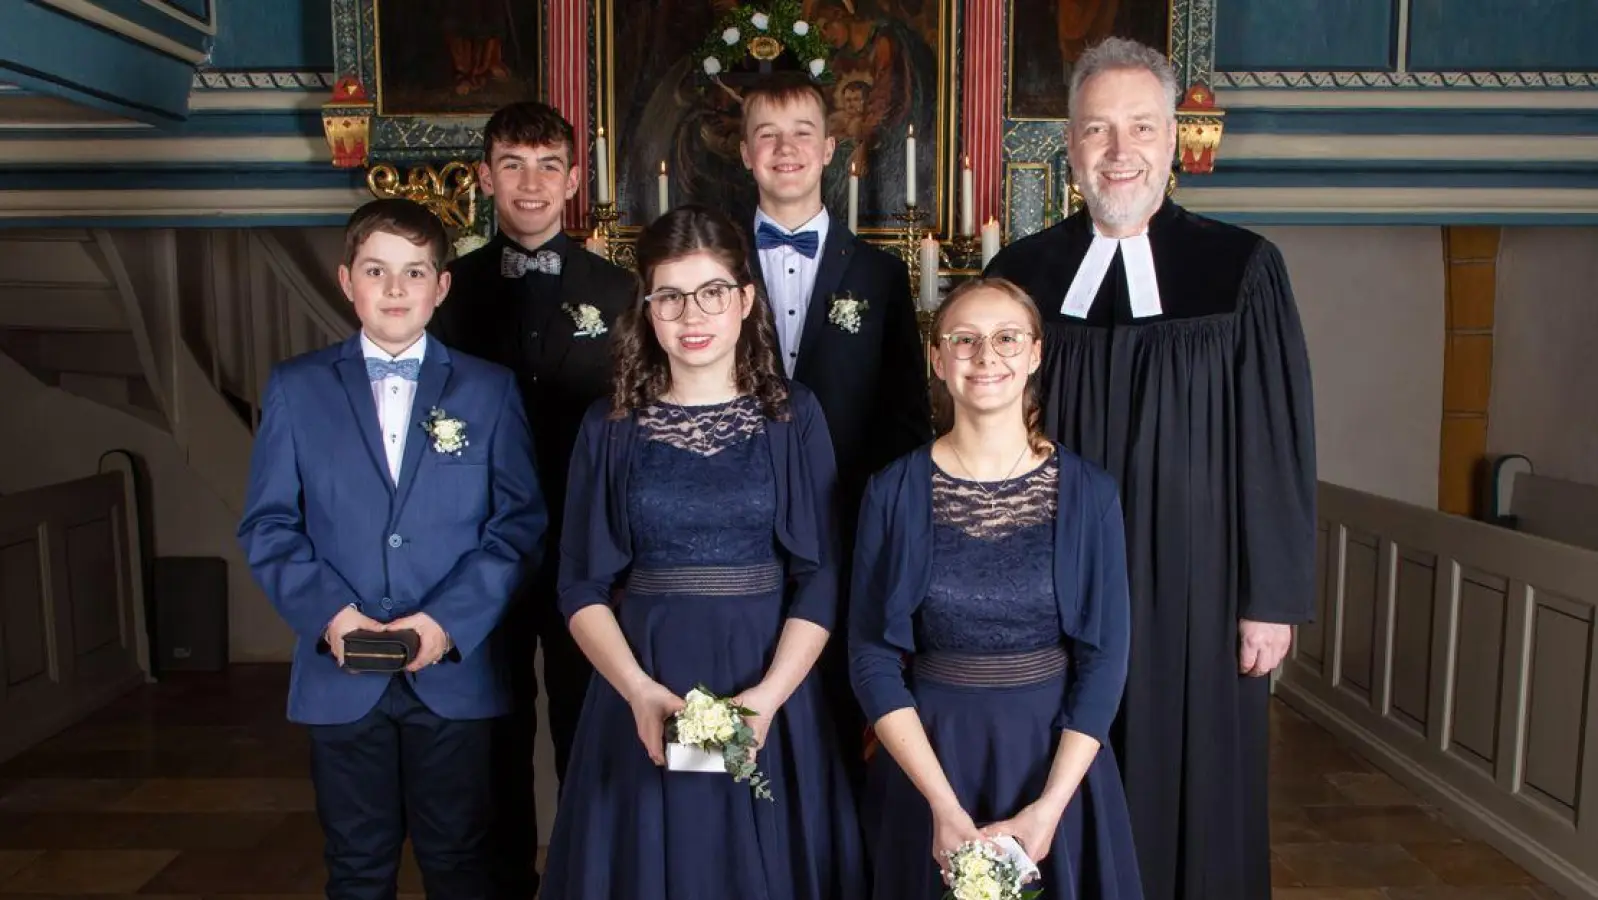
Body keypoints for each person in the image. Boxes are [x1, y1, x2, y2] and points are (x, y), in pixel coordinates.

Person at [983, 37, 1318, 900]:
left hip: (1199, 590)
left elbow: (1278, 443)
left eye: (1140, 127)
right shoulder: (1022, 275)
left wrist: (1270, 601)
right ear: (1070, 144)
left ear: (1176, 138)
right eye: (1097, 130)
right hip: (1050, 585)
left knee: (1193, 780)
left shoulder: (1241, 268)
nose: (1119, 151)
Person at [540, 204, 867, 900]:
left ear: (745, 301)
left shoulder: (793, 416)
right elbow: (579, 584)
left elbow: (821, 576)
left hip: (770, 682)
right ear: (648, 308)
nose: (694, 315)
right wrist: (638, 692)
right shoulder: (610, 426)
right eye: (671, 295)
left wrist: (767, 701)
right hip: (646, 680)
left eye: (713, 292)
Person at [238, 198, 546, 900]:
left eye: (414, 273)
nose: (396, 289)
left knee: (463, 864)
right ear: (347, 281)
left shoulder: (488, 390)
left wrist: (446, 625)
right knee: (356, 864)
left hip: (454, 677)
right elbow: (269, 525)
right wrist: (332, 618)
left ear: (441, 287)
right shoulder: (297, 388)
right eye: (378, 271)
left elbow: (518, 526)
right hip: (339, 672)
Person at [848, 278, 1143, 899]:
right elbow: (872, 657)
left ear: (1035, 354)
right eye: (965, 340)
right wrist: (941, 806)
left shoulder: (1090, 495)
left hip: (1053, 767)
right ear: (938, 358)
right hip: (929, 762)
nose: (986, 357)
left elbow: (1105, 661)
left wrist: (1049, 807)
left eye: (1007, 338)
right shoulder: (892, 492)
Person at [429, 100, 635, 899]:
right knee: (493, 731)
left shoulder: (619, 290)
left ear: (575, 179)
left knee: (587, 725)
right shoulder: (445, 292)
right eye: (512, 164)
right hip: (478, 554)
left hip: (587, 548)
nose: (531, 183)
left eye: (549, 165)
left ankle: (588, 878)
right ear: (485, 176)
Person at [739, 72, 933, 773]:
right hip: (735, 529)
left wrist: (887, 531)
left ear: (829, 150)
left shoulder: (880, 276)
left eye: (802, 134)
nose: (785, 149)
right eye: (768, 134)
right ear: (744, 151)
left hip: (845, 527)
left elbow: (906, 420)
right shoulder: (713, 266)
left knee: (838, 710)